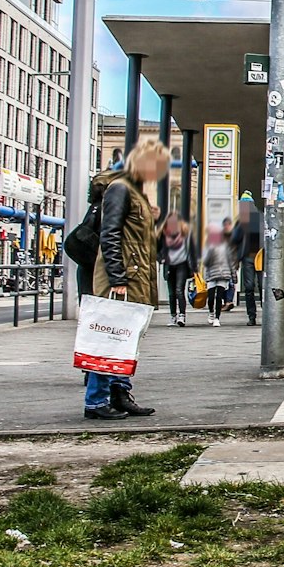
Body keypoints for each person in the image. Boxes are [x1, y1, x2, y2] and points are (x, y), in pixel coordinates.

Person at [85, 136, 167, 419]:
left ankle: (120, 392)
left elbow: (136, 238)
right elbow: (110, 234)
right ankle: (96, 401)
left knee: (126, 339)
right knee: (109, 338)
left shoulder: (135, 192)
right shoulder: (121, 189)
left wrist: (151, 219)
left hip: (135, 275)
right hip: (123, 278)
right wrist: (117, 276)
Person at [229, 196, 262, 326]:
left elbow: (234, 238)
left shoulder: (255, 218)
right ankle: (254, 316)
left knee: (251, 287)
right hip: (255, 257)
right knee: (259, 287)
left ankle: (253, 316)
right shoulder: (259, 218)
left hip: (254, 257)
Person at [161, 213, 194, 327]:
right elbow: (158, 249)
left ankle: (182, 315)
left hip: (182, 264)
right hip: (169, 265)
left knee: (179, 290)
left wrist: (193, 266)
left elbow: (192, 250)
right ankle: (173, 315)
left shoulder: (185, 234)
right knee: (171, 293)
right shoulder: (164, 234)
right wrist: (161, 258)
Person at [201, 220, 236, 327]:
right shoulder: (208, 246)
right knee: (211, 297)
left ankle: (217, 318)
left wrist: (233, 275)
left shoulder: (225, 246)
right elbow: (205, 262)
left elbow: (230, 261)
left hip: (223, 274)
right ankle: (211, 312)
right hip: (212, 274)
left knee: (219, 297)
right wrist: (210, 253)